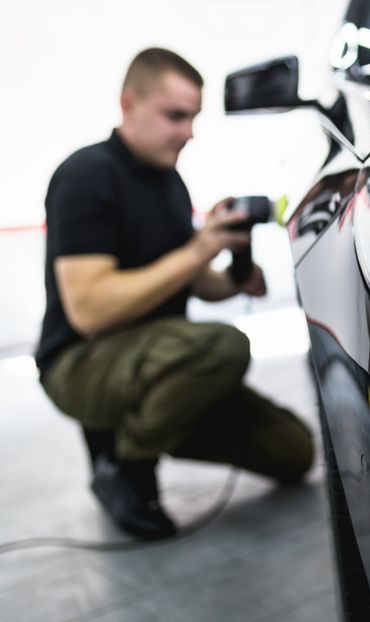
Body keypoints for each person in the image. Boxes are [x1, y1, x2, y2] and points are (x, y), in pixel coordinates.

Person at [35, 47, 314, 540]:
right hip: (81, 364)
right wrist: (197, 250)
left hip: (167, 363)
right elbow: (89, 312)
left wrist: (232, 274)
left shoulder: (170, 183)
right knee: (224, 346)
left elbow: (193, 281)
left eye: (193, 118)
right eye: (175, 116)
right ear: (129, 104)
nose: (189, 132)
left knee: (294, 451)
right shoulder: (86, 176)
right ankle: (124, 466)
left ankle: (156, 419)